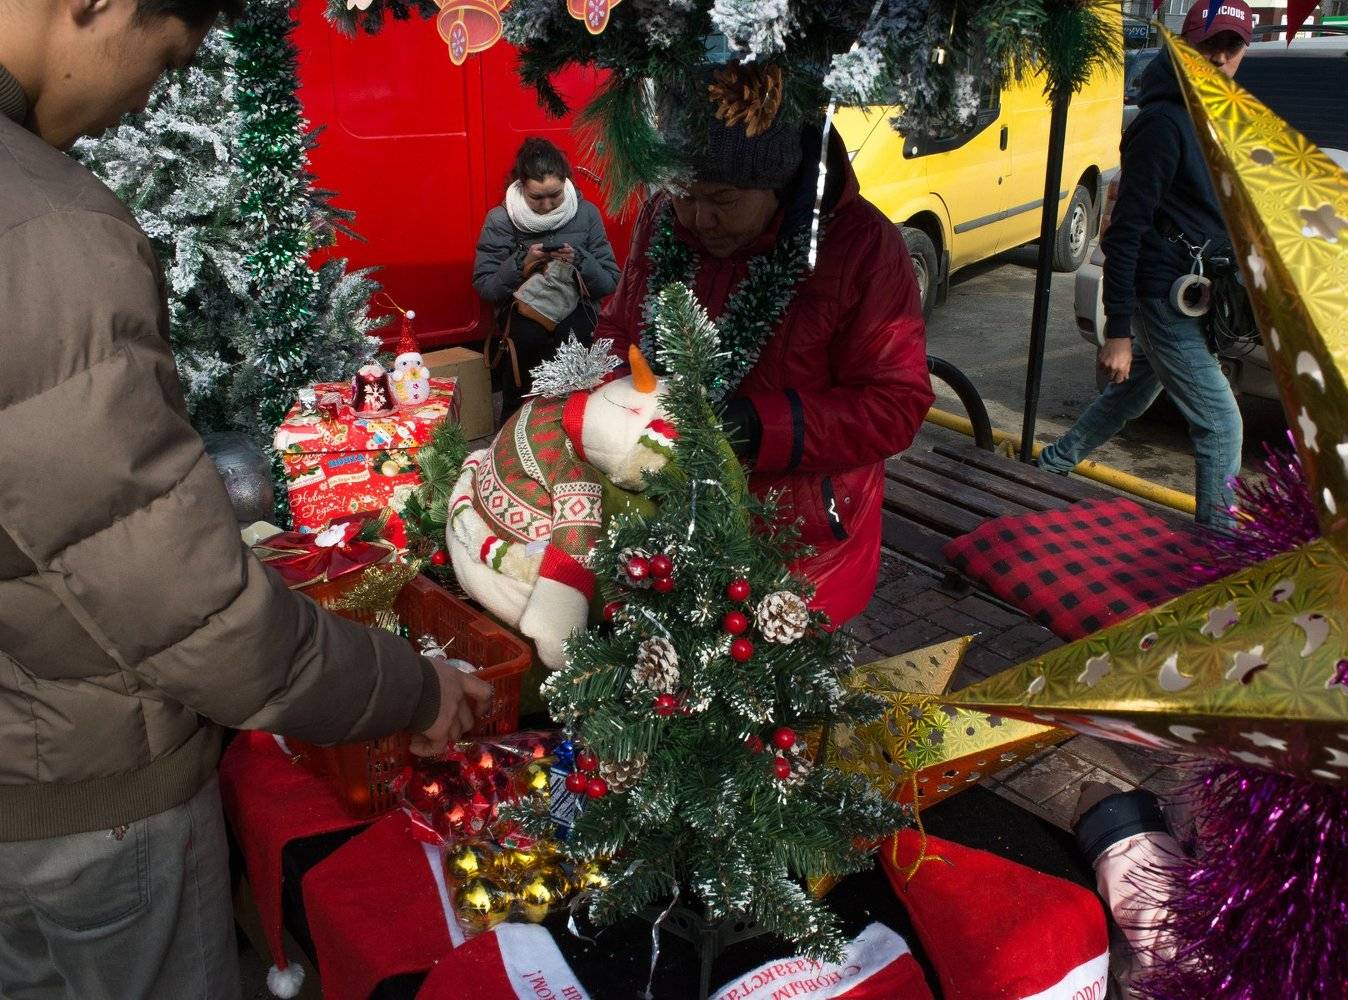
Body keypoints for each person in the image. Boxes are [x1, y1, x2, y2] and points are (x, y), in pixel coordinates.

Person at [0, 2, 490, 996]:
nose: (152, 95)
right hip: (96, 811)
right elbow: (193, 615)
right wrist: (413, 686)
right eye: (165, 56)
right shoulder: (43, 227)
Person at [595, 80, 934, 626]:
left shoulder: (865, 248)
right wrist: (613, 401)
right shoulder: (663, 220)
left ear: (776, 182)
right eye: (684, 194)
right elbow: (619, 326)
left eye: (724, 200)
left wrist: (757, 424)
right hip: (666, 514)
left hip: (798, 544)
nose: (701, 219)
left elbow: (895, 405)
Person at [1038, 0, 1253, 529]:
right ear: (1184, 50)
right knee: (1221, 425)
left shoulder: (1218, 117)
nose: (1221, 58)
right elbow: (1125, 230)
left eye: (1232, 47)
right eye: (1209, 47)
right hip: (1163, 295)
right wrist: (1118, 331)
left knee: (1127, 400)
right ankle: (1218, 548)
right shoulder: (1163, 123)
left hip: (1193, 291)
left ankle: (1050, 466)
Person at [473, 137, 620, 420]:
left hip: (576, 306)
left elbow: (609, 281)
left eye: (555, 194)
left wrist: (581, 260)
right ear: (521, 186)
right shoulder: (501, 219)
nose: (547, 204)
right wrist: (521, 262)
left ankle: (578, 421)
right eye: (537, 198)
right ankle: (517, 424)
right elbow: (486, 286)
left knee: (574, 335)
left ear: (566, 183)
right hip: (523, 311)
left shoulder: (586, 213)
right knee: (529, 336)